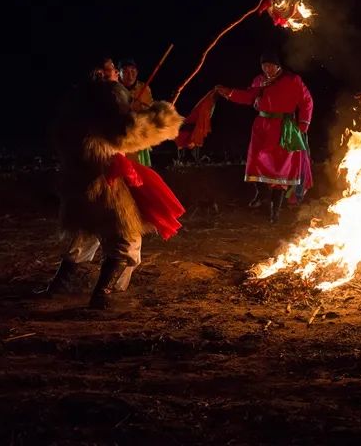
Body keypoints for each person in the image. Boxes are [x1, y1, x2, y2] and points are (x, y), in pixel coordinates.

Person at [45, 56, 184, 309]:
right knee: (126, 237)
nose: (117, 75)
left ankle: (61, 286)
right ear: (100, 73)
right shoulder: (107, 95)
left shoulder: (76, 99)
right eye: (112, 71)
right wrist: (162, 118)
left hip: (77, 179)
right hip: (103, 182)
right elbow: (126, 132)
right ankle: (104, 295)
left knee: (86, 233)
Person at [215, 50, 313, 223]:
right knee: (256, 162)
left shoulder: (292, 80)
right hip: (261, 127)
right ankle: (260, 193)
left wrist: (303, 125)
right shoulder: (259, 81)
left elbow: (307, 102)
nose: (267, 69)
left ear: (278, 66)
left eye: (270, 65)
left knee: (280, 169)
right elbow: (248, 97)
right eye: (264, 66)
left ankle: (275, 212)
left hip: (284, 128)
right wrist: (229, 93)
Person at [119, 58, 153, 166]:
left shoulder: (144, 88)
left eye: (133, 71)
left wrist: (141, 108)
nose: (130, 75)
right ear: (118, 73)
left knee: (140, 169)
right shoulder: (116, 90)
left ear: (137, 72)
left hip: (139, 136)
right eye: (125, 72)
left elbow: (150, 111)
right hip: (121, 137)